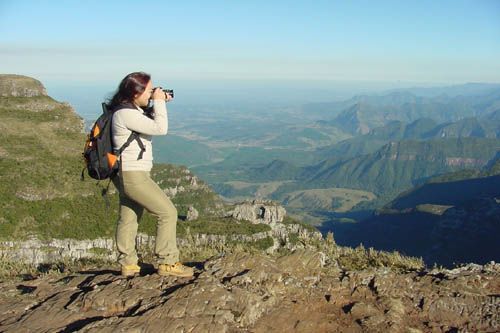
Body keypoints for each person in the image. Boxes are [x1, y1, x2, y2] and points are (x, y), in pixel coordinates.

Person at [108, 71, 193, 277]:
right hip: (133, 175)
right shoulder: (125, 114)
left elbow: (146, 122)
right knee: (168, 212)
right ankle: (168, 261)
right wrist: (159, 103)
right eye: (148, 89)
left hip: (127, 173)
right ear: (135, 92)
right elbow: (160, 128)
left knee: (129, 216)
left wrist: (157, 102)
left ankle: (128, 264)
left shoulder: (128, 110)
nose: (152, 92)